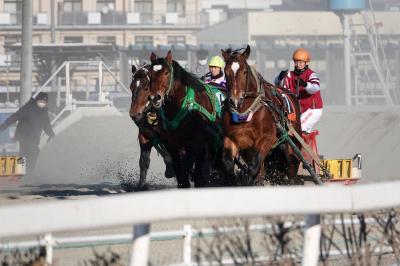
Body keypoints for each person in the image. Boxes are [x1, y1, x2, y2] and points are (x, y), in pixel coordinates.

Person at [0, 92, 55, 174]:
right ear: (36, 100)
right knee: (32, 152)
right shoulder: (28, 108)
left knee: (27, 154)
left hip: (34, 138)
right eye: (40, 101)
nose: (42, 103)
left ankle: (24, 172)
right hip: (24, 135)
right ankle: (24, 172)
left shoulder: (44, 112)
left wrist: (51, 134)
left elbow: (46, 125)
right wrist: (3, 126)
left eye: (44, 102)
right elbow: (15, 116)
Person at [274, 48, 323, 133]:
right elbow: (278, 84)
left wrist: (305, 84)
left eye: (300, 62)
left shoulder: (311, 74)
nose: (298, 64)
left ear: (306, 63)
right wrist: (280, 78)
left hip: (312, 110)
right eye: (296, 62)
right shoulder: (291, 74)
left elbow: (315, 88)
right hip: (298, 111)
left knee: (297, 129)